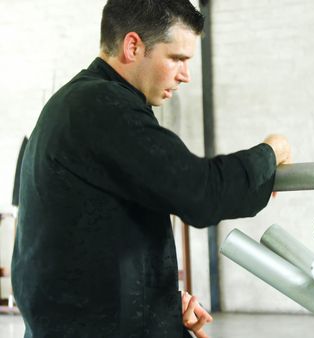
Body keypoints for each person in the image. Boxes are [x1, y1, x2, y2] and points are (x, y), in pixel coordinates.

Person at [11, 0, 291, 337]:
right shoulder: (102, 106)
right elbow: (202, 193)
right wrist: (272, 152)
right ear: (133, 46)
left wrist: (159, 303)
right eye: (176, 59)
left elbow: (89, 240)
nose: (185, 75)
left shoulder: (74, 104)